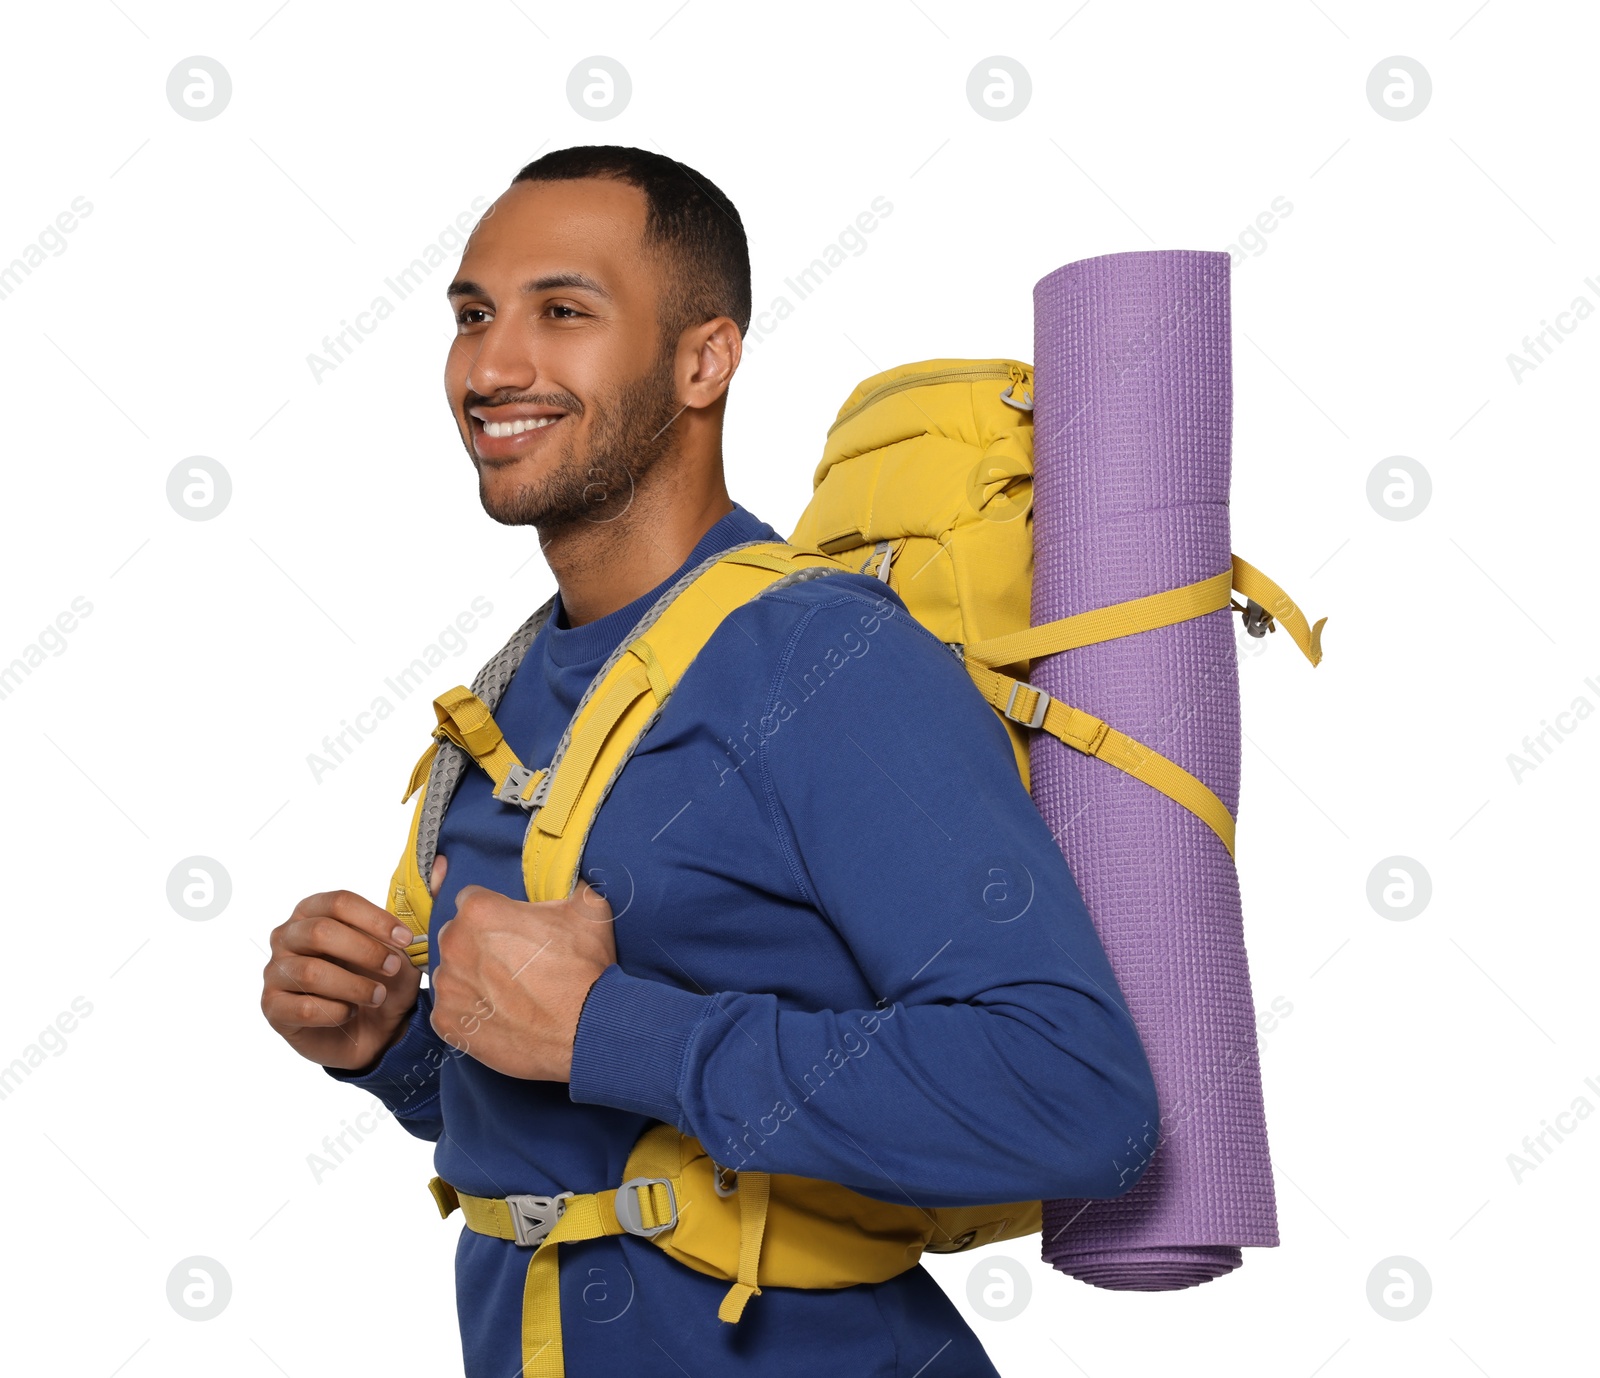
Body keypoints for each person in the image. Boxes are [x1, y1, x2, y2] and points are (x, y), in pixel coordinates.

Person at [261, 144, 1159, 1378]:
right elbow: (537, 1121)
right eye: (473, 316)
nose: (492, 366)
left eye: (562, 312)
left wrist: (609, 1029)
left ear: (704, 359)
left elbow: (1078, 1101)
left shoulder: (827, 660)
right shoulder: (511, 692)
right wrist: (386, 1044)